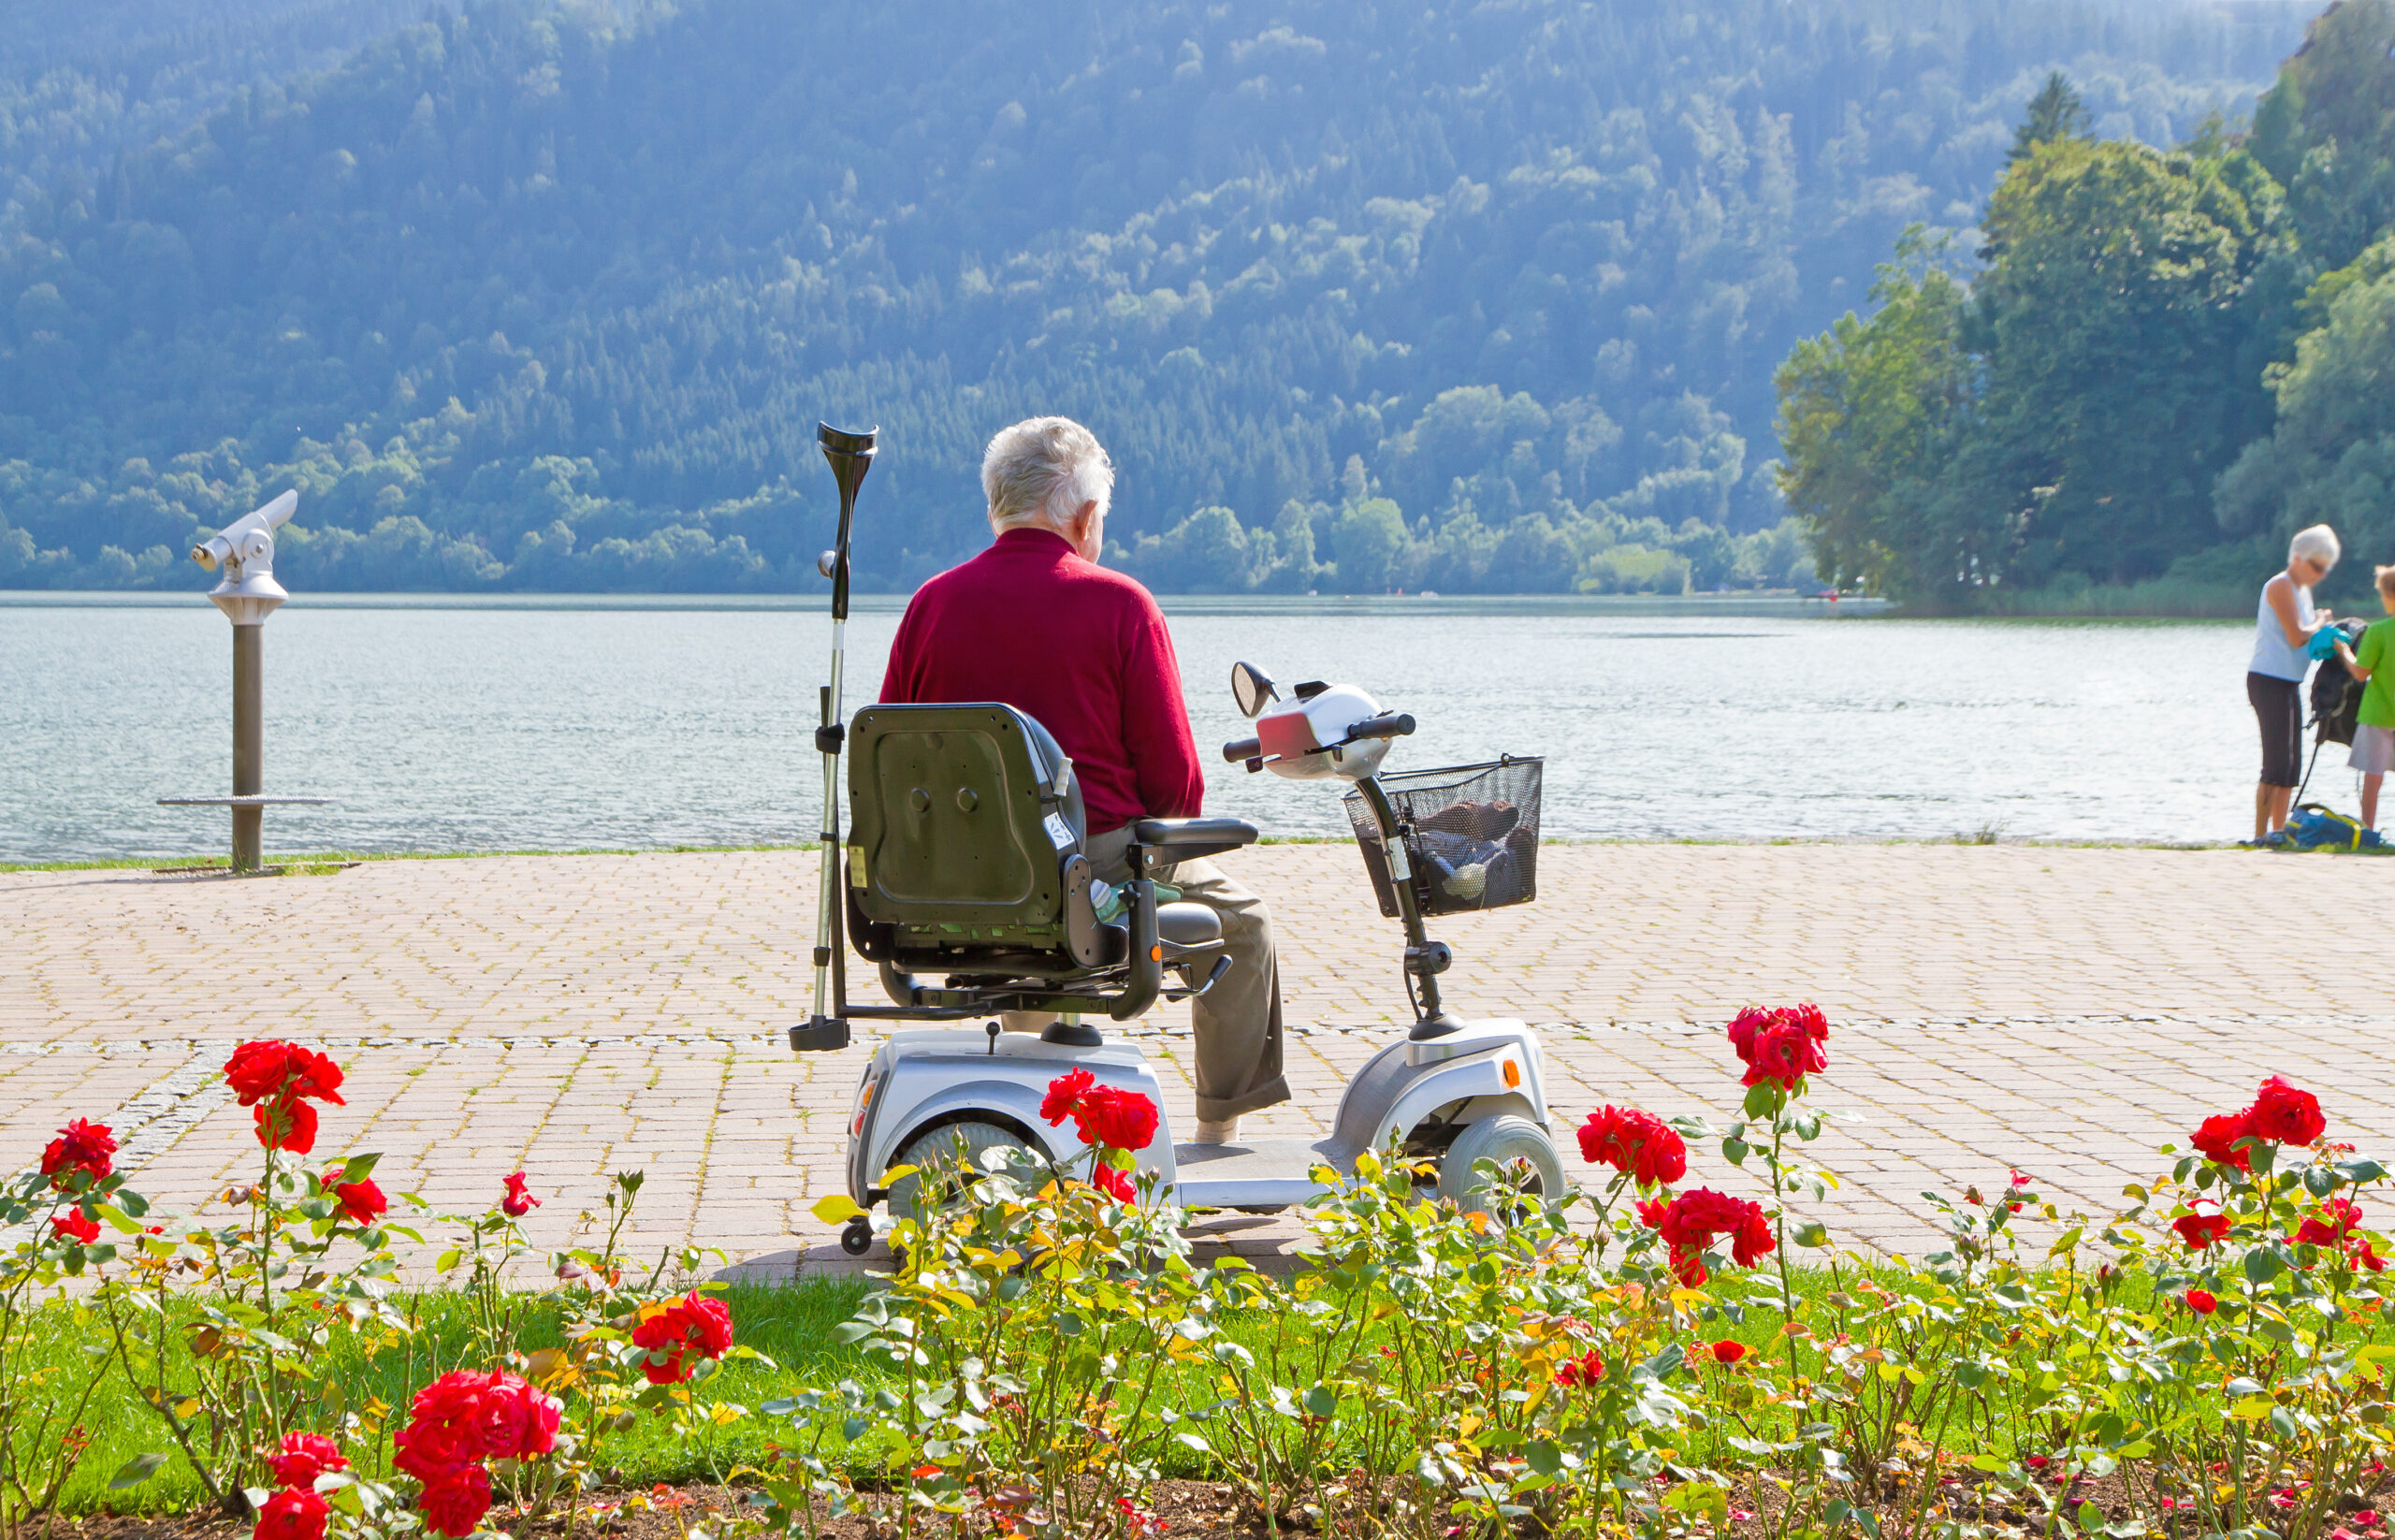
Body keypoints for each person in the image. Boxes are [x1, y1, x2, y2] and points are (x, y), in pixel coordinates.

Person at [878, 416, 1289, 1141]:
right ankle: (1219, 1134)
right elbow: (1174, 790)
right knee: (1245, 926)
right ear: (1087, 515)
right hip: (1088, 872)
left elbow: (892, 761)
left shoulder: (930, 606)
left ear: (996, 508)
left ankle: (1025, 1085)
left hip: (948, 886)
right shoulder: (1120, 605)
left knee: (1039, 917)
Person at [2248, 525, 2340, 846]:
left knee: (2290, 765)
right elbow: (2297, 635)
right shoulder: (2281, 585)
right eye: (2316, 566)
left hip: (2288, 681)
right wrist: (2321, 621)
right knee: (2274, 763)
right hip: (2268, 679)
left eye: (2324, 568)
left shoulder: (2302, 591)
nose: (2320, 574)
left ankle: (2279, 832)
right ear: (2298, 559)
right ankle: (2260, 835)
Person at [2333, 565, 2395, 829]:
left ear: (2389, 596)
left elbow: (2360, 673)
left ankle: (2368, 831)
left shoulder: (2378, 631)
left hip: (2378, 713)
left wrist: (2344, 649)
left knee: (2373, 778)